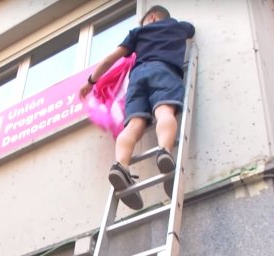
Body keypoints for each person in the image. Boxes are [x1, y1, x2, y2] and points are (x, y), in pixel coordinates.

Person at [80, 5, 195, 210]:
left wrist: (91, 81)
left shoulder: (138, 33)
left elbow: (109, 59)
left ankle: (121, 166)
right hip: (164, 70)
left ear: (151, 17)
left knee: (134, 125)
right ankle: (165, 151)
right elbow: (191, 29)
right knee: (164, 112)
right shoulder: (178, 27)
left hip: (137, 77)